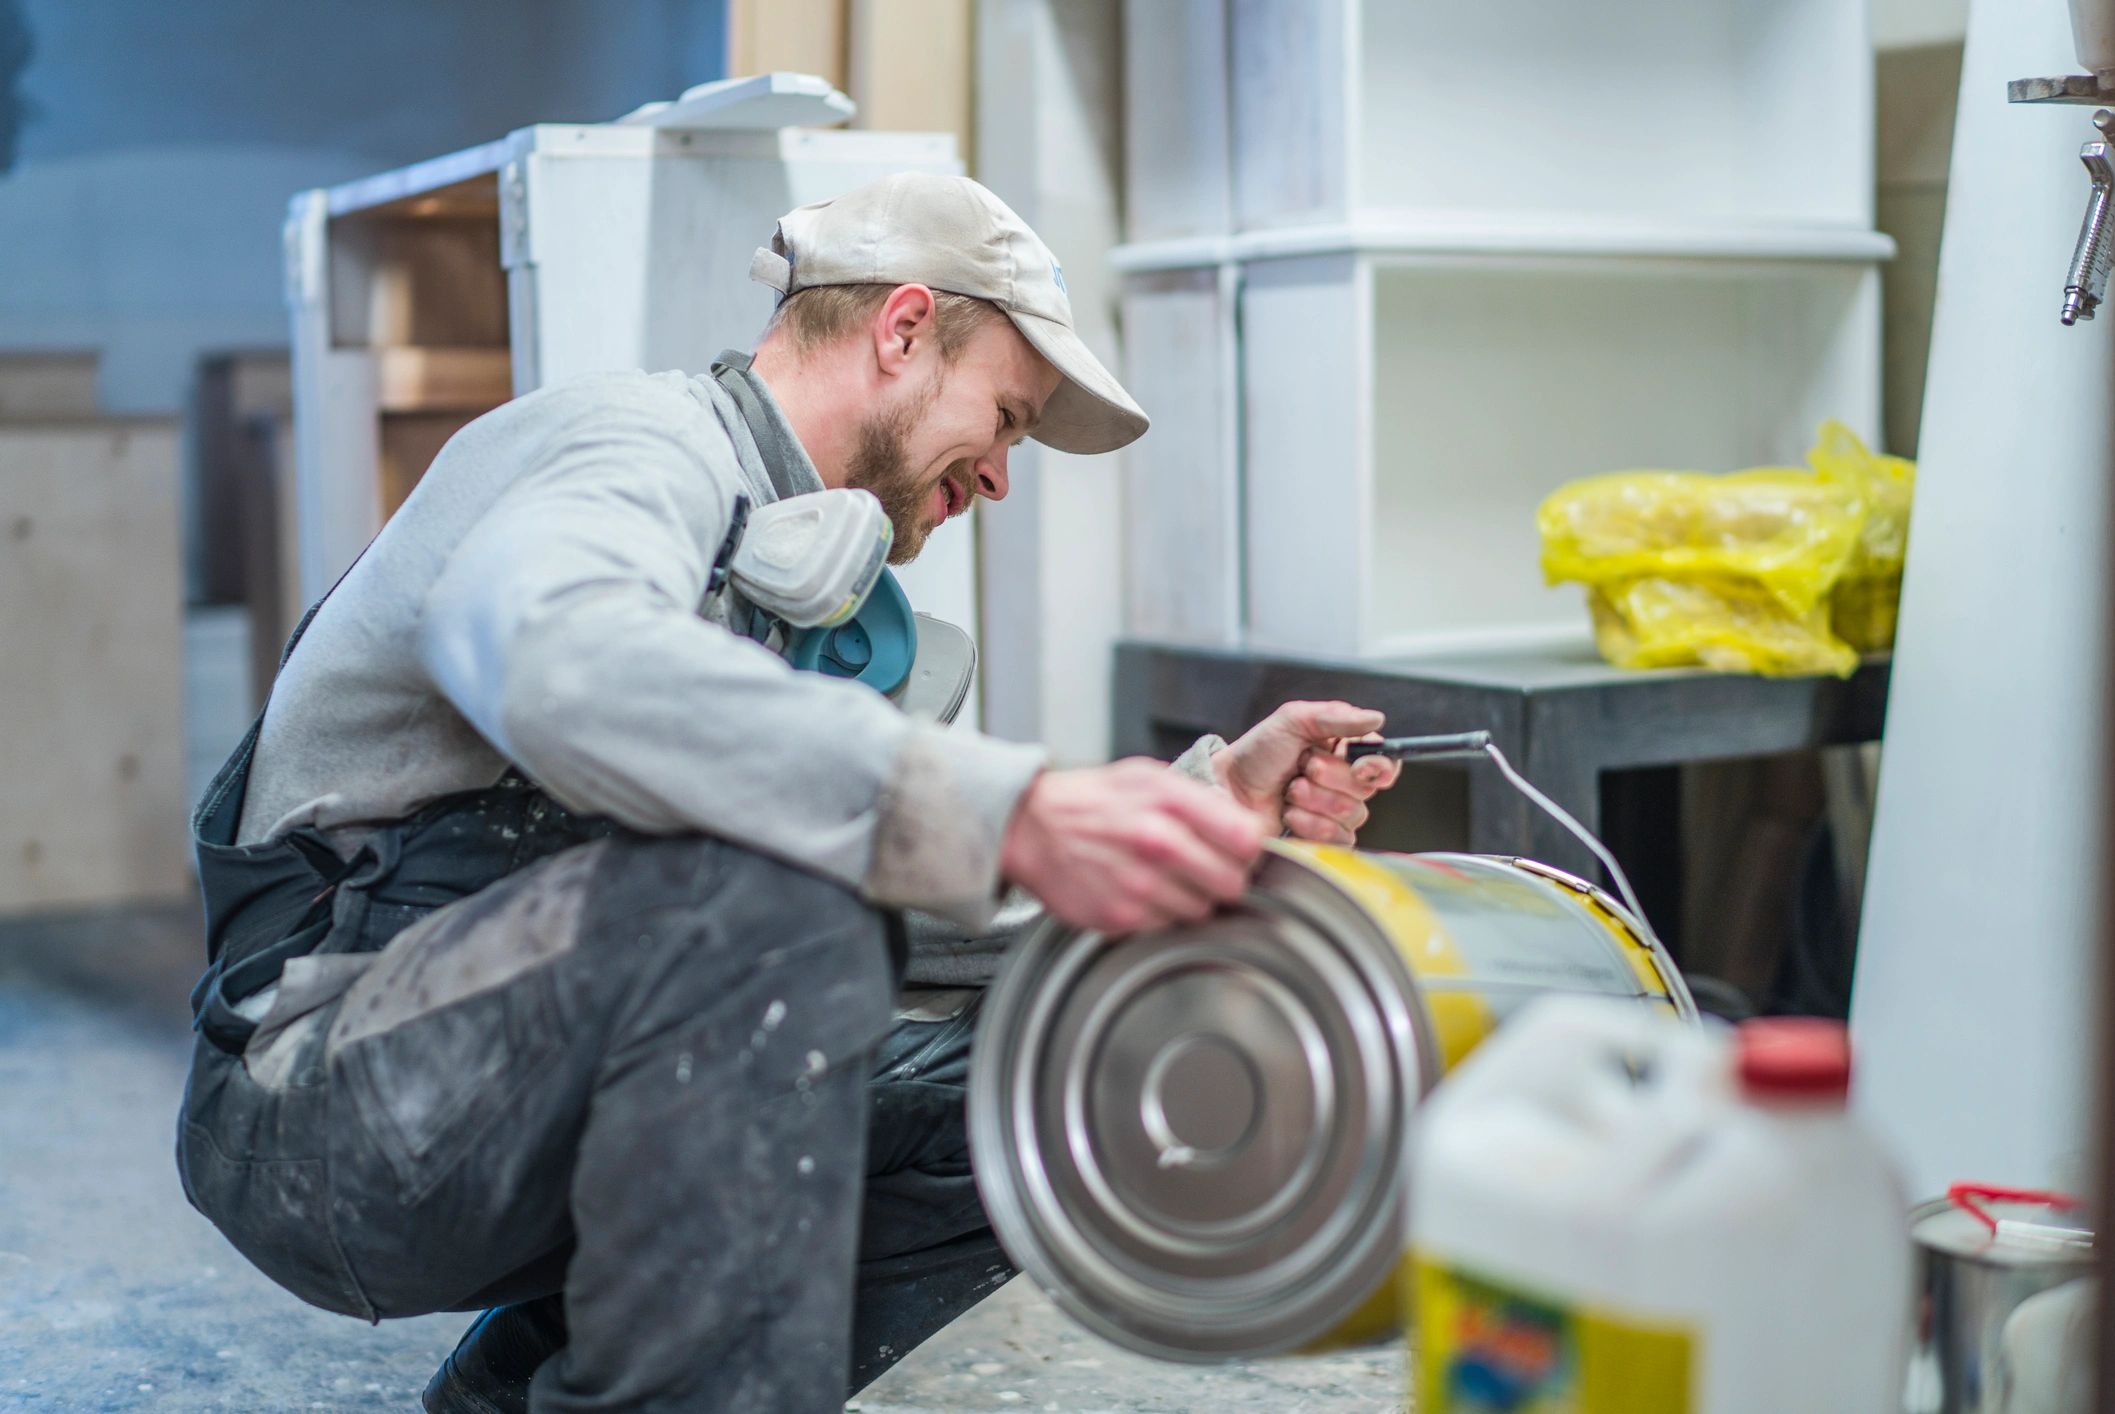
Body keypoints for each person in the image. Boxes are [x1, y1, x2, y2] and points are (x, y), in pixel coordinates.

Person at [175, 172, 1401, 1414]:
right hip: (322, 1101)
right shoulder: (636, 443)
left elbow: (893, 924)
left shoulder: (804, 591)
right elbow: (549, 652)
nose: (1000, 478)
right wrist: (1006, 808)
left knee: (1047, 1073)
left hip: (493, 1089)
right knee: (777, 908)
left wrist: (1195, 817)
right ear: (904, 328)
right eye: (1006, 417)